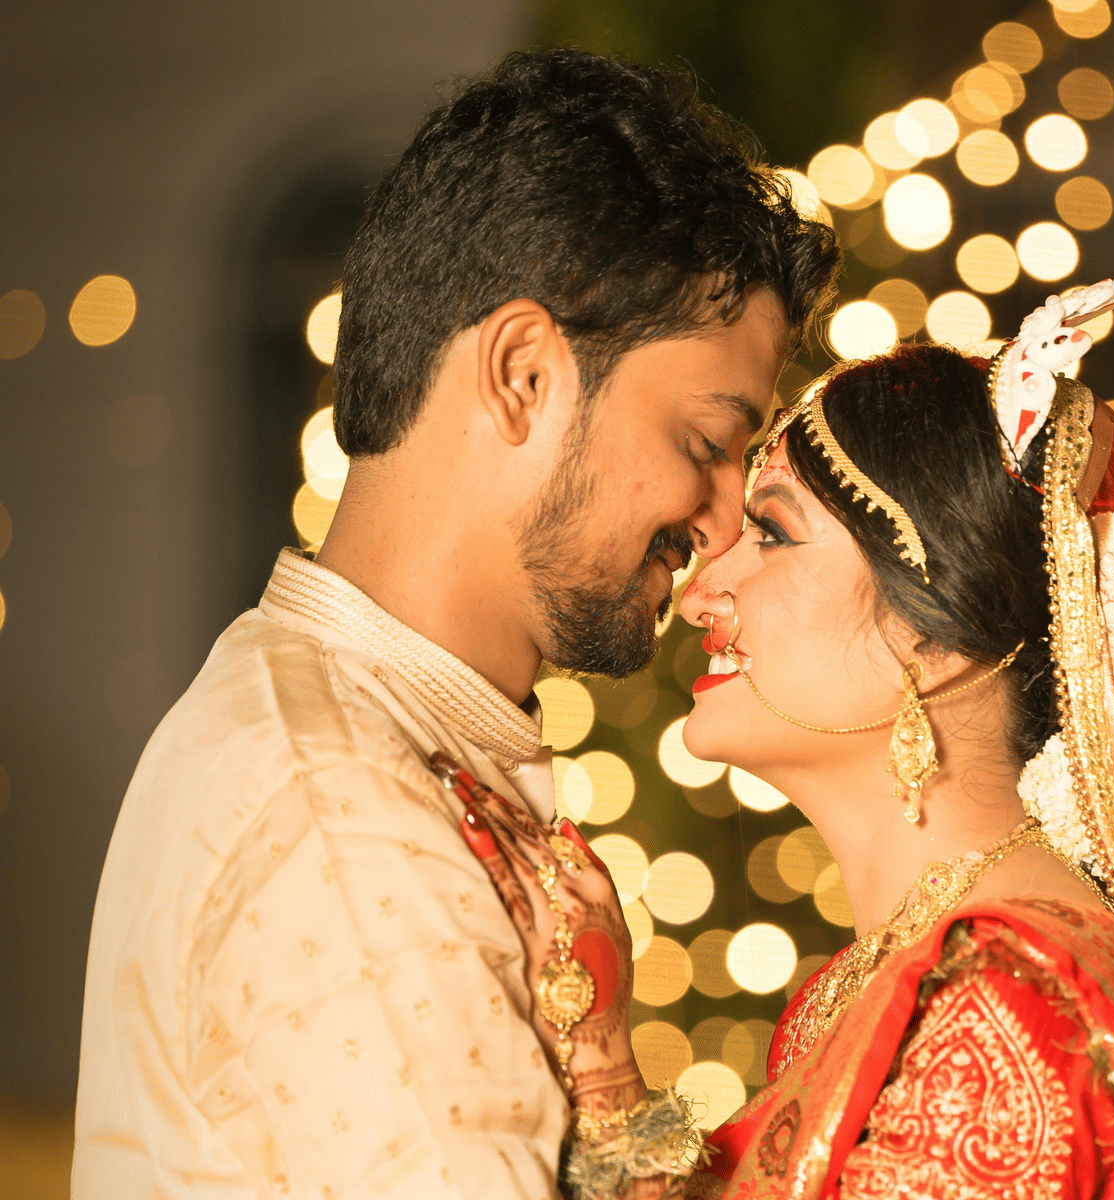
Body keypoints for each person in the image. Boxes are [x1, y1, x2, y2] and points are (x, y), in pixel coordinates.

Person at [71, 47, 839, 1199]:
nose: (724, 524)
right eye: (703, 444)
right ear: (523, 374)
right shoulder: (336, 807)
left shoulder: (388, 740)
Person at [482, 239, 1114, 1198]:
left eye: (774, 531)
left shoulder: (1019, 998)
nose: (705, 588)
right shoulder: (903, 987)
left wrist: (599, 1072)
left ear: (936, 637)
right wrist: (595, 1048)